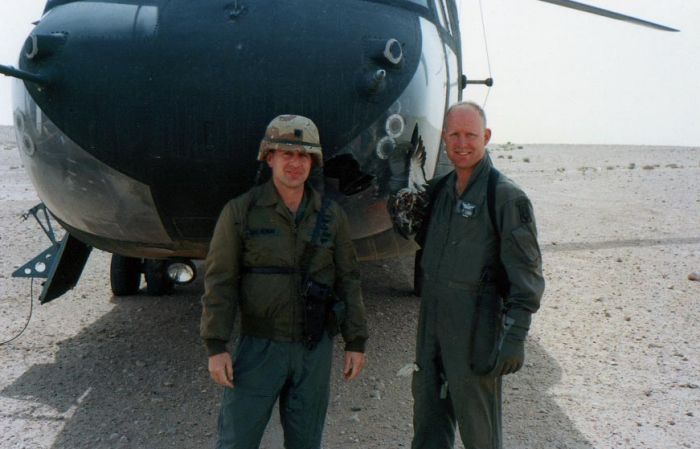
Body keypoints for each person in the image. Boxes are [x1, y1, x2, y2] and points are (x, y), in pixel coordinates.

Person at [200, 114, 368, 449]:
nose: (295, 163)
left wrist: (356, 340)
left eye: (303, 155)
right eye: (287, 154)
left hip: (313, 349)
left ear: (313, 162)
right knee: (237, 440)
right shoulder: (242, 212)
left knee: (306, 442)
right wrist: (216, 346)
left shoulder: (331, 216)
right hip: (260, 347)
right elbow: (220, 280)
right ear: (270, 157)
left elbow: (348, 278)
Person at [410, 102, 545, 449]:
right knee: (427, 422)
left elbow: (526, 275)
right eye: (453, 135)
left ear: (485, 137)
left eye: (470, 135)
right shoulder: (439, 191)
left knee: (479, 431)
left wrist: (515, 335)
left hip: (476, 328)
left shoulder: (505, 197)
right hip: (432, 323)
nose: (462, 143)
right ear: (444, 138)